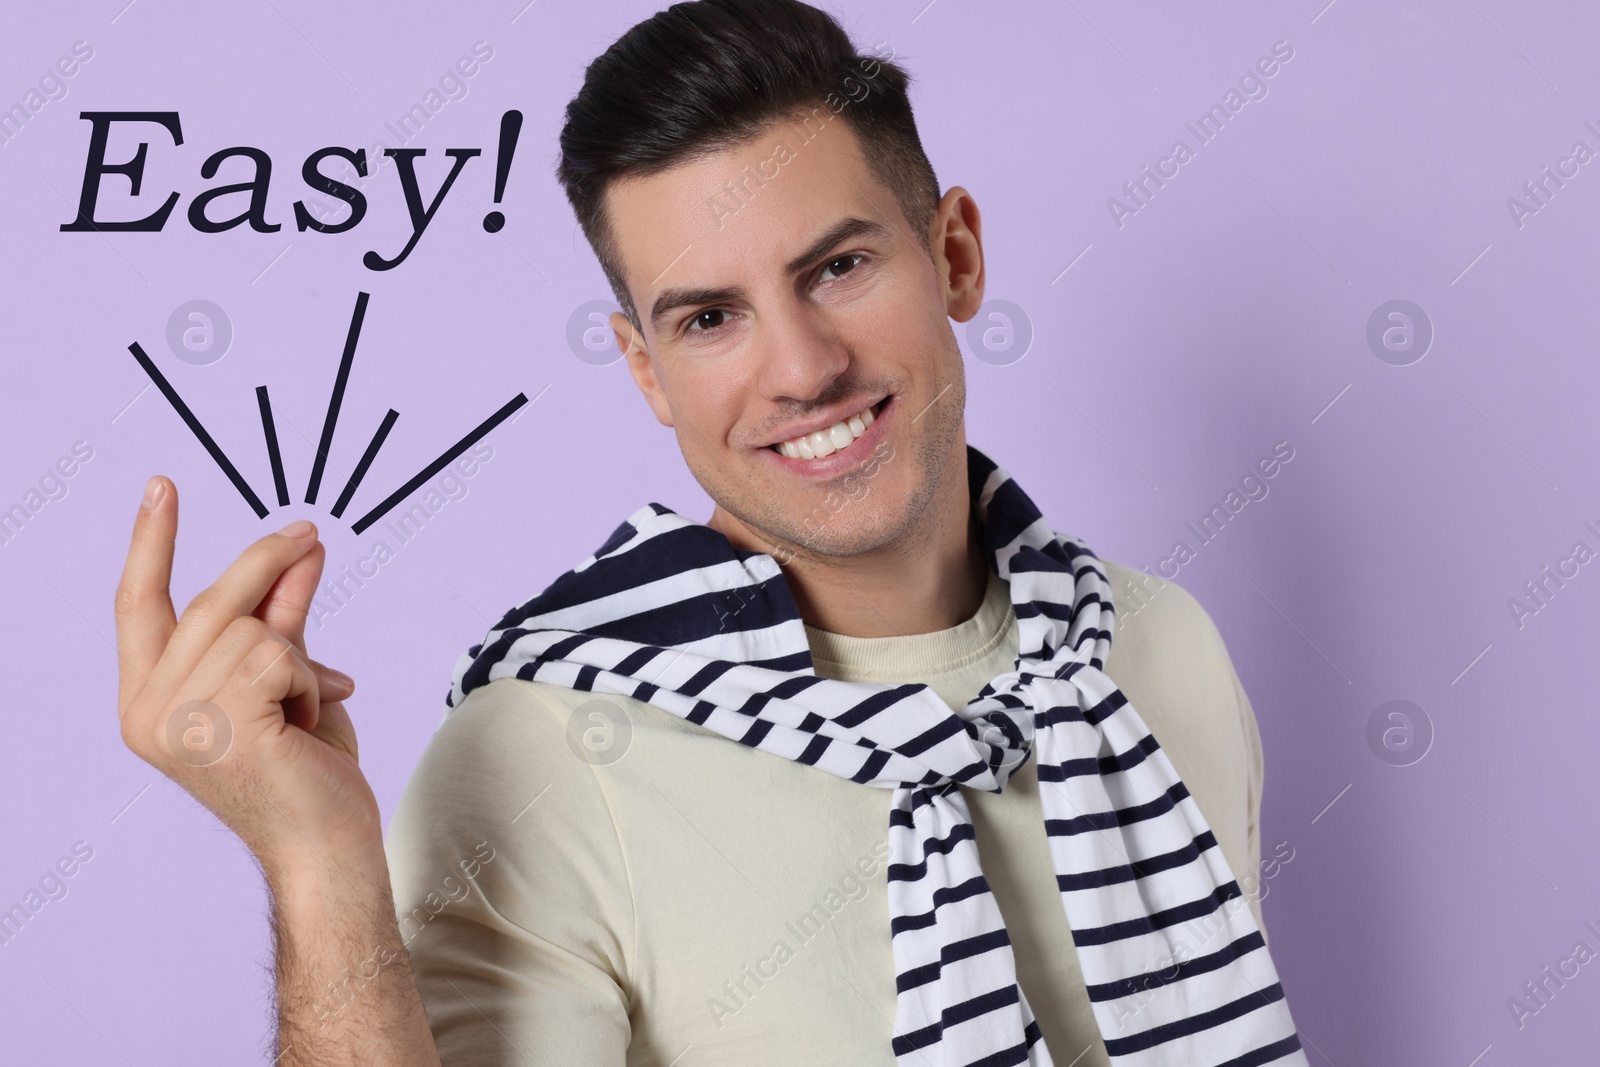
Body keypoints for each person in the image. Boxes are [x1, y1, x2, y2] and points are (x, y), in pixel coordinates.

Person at [113, 1, 1306, 1064]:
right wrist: (318, 870)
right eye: (710, 317)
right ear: (645, 368)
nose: (801, 368)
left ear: (954, 253)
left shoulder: (1154, 650)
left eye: (838, 265)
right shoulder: (541, 762)